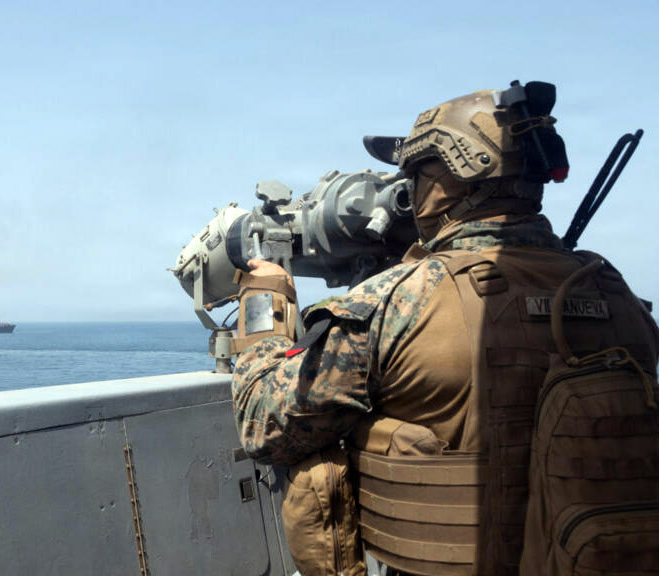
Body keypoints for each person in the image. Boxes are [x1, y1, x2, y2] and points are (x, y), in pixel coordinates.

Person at [231, 84, 659, 575]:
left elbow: (265, 427)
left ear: (444, 180)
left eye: (415, 175)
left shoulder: (398, 301)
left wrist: (264, 301)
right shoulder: (614, 294)